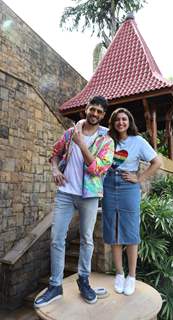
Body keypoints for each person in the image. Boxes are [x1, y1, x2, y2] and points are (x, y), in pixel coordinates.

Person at [34, 96, 114, 307]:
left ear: (103, 115)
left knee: (87, 239)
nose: (94, 114)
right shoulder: (70, 133)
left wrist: (82, 145)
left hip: (89, 195)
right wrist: (54, 169)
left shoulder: (107, 140)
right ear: (85, 109)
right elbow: (54, 153)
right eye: (92, 109)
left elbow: (98, 169)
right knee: (56, 238)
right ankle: (55, 286)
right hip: (65, 193)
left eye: (99, 111)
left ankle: (83, 280)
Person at [102, 108, 161, 296]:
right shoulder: (107, 138)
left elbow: (157, 162)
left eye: (124, 119)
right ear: (112, 122)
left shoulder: (138, 141)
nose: (121, 122)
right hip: (109, 185)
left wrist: (140, 178)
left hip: (129, 187)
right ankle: (119, 274)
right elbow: (84, 127)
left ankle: (132, 276)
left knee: (130, 231)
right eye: (117, 119)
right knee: (113, 230)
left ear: (129, 122)